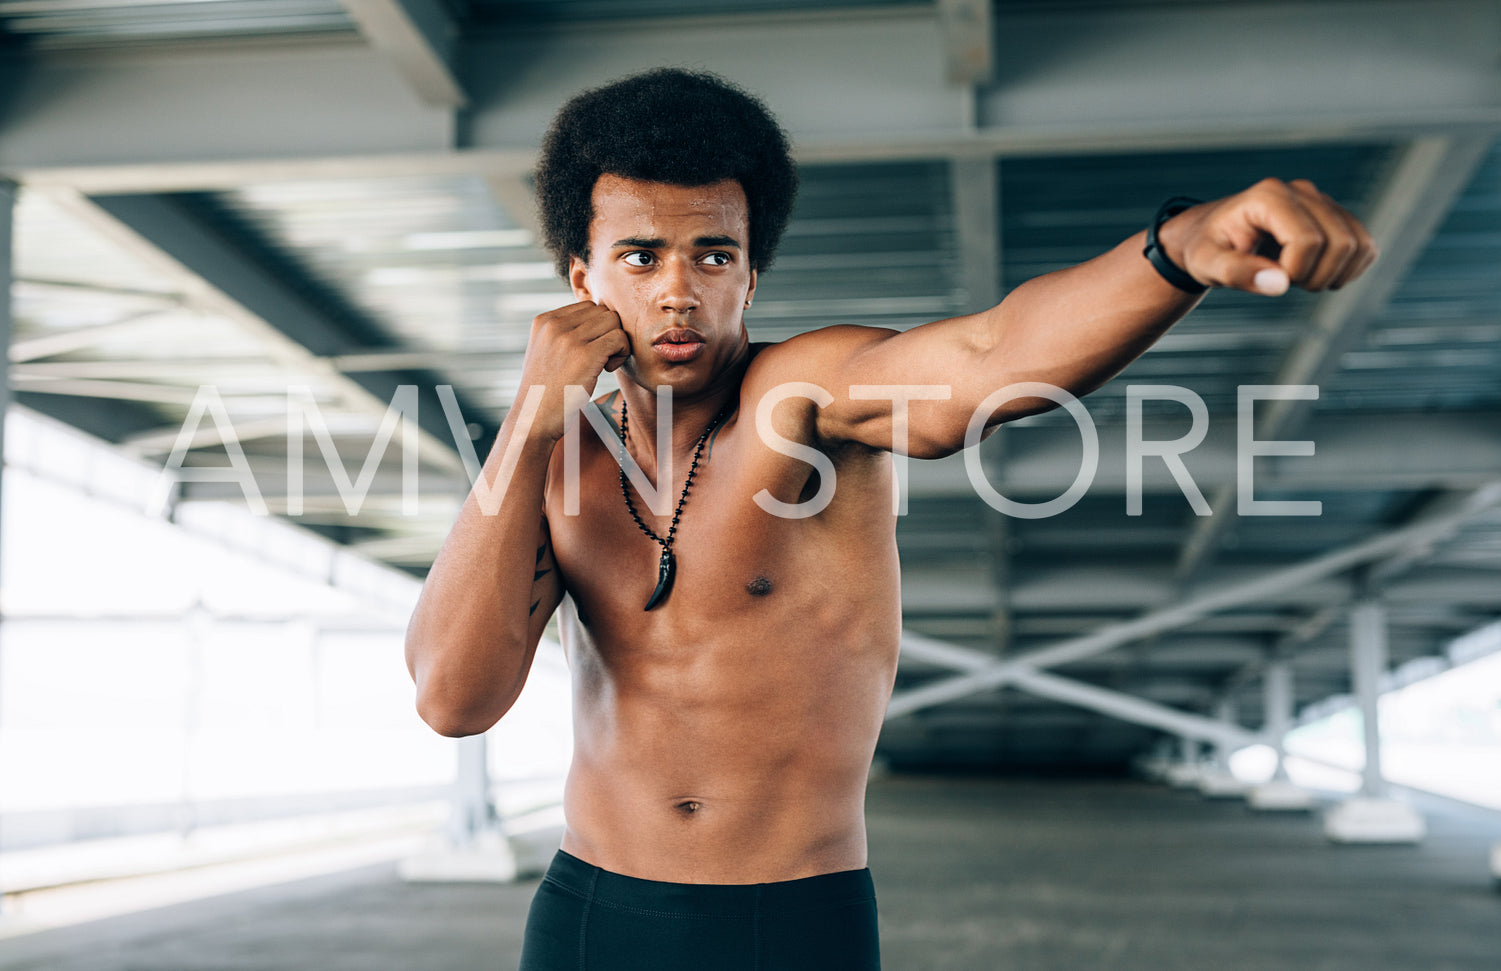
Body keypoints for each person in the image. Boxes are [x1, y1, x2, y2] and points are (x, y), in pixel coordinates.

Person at [403, 68, 1376, 970]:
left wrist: (1180, 248)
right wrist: (527, 422)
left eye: (713, 254)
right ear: (583, 281)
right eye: (639, 254)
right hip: (589, 913)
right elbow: (453, 699)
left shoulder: (805, 398)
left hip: (785, 918)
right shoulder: (549, 460)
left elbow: (989, 360)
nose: (675, 290)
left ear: (750, 277)